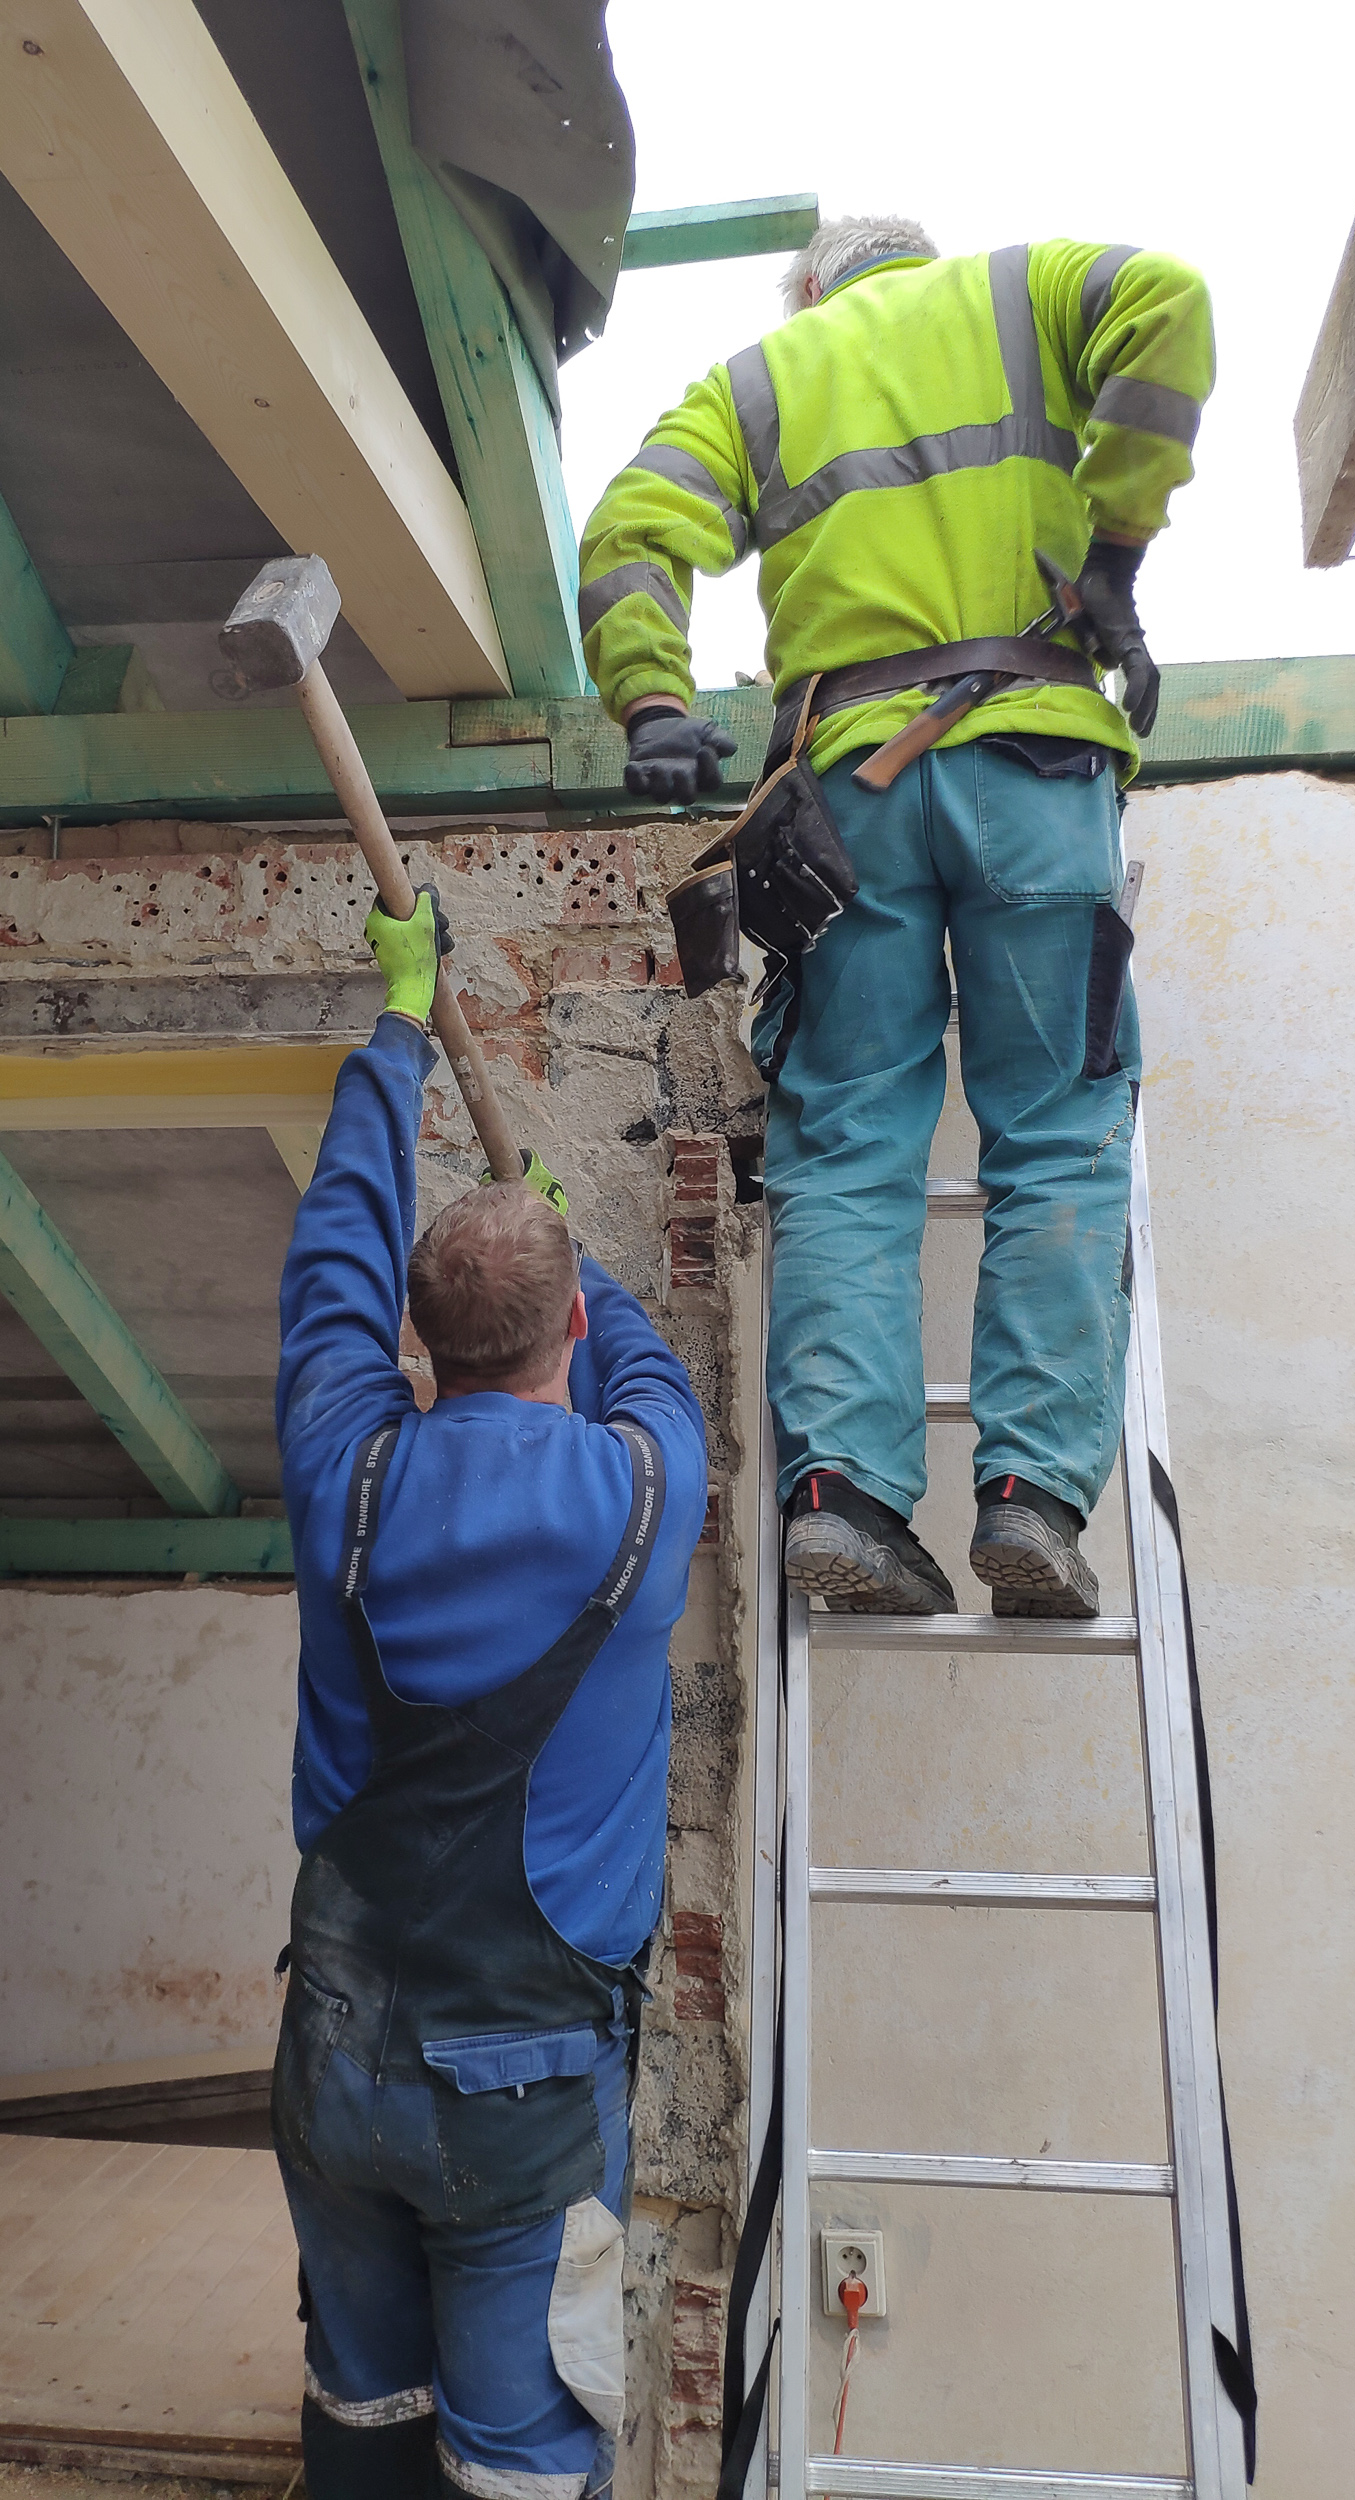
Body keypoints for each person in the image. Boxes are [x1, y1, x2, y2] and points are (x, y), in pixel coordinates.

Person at [579, 215, 1213, 1620]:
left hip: (848, 802)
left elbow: (628, 527)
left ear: (811, 290)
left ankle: (846, 1504)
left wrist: (655, 699)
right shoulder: (1028, 292)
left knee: (847, 1147)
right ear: (919, 260)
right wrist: (1114, 547)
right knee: (1056, 1136)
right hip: (1032, 768)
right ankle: (1031, 1497)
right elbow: (1166, 300)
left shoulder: (759, 379)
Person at [271, 884, 708, 2499]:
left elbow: (332, 1251)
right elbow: (650, 1379)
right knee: (516, 2461)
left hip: (335, 2062)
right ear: (571, 1327)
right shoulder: (638, 1500)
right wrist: (583, 1260)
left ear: (411, 1334)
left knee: (363, 2419)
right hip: (521, 2104)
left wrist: (400, 1023)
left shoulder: (344, 1465)